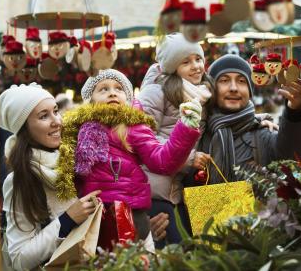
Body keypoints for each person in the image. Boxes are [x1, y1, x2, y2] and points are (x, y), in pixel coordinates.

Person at [55, 69, 202, 250]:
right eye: (103, 89)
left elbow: (163, 161)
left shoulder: (133, 126)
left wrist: (185, 129)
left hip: (129, 213)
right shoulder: (77, 129)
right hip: (92, 215)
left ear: (127, 98)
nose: (112, 92)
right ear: (90, 99)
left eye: (119, 88)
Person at [0, 83, 101, 270]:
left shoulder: (78, 160)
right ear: (24, 128)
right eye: (44, 116)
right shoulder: (19, 180)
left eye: (55, 111)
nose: (57, 121)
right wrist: (67, 220)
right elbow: (19, 259)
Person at [137, 32, 212, 247]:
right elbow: (143, 142)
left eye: (198, 59)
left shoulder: (201, 94)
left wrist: (259, 118)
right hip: (152, 191)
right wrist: (189, 159)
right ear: (172, 67)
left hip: (174, 192)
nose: (196, 66)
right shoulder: (155, 93)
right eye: (186, 62)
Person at [198, 54, 301, 183]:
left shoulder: (262, 136)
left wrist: (295, 112)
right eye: (224, 80)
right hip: (202, 203)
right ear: (212, 89)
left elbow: (293, 158)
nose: (233, 88)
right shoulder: (196, 133)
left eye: (242, 81)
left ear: (250, 90)